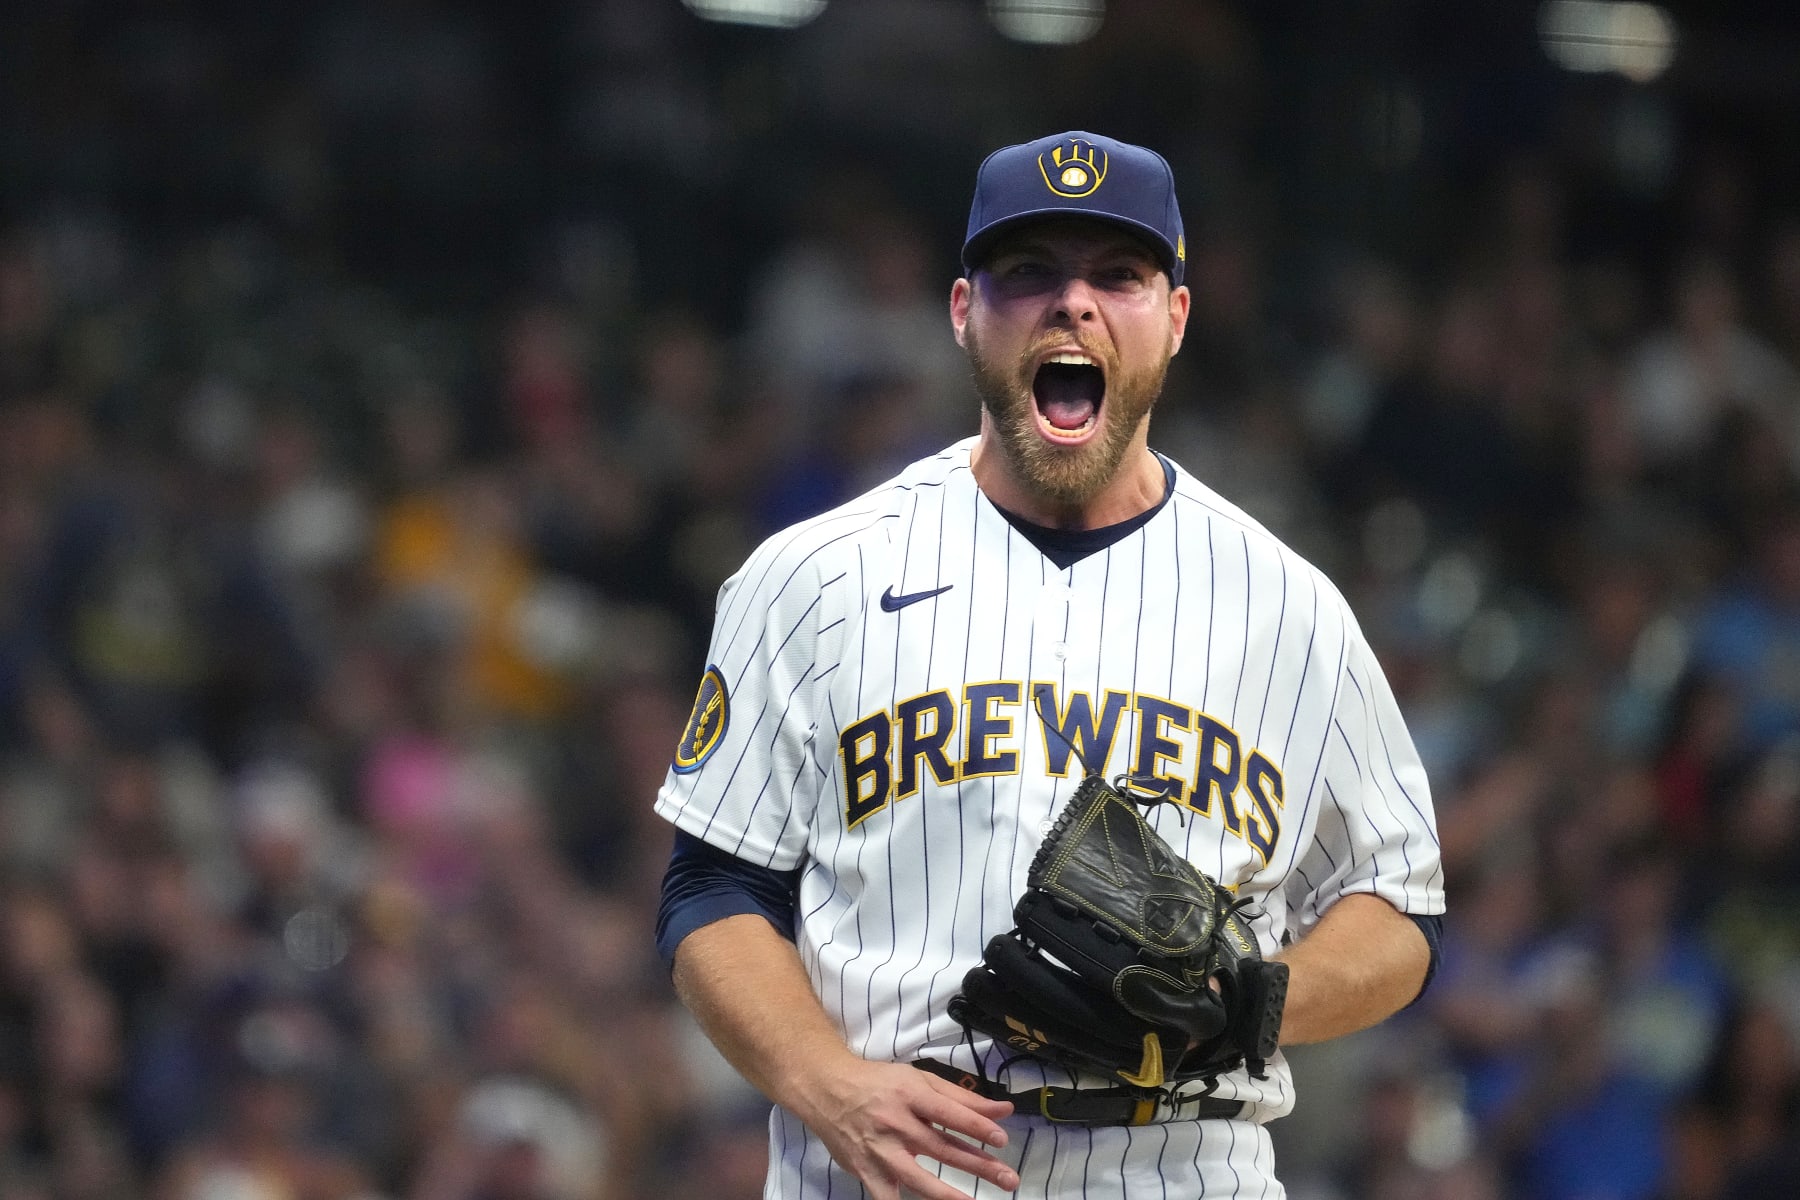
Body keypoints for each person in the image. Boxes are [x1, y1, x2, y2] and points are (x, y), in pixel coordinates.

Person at [653, 131, 1445, 1199]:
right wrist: (826, 1080)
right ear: (962, 313)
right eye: (1029, 274)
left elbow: (1398, 903)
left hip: (1182, 1168)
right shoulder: (814, 577)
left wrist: (1252, 1000)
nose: (1072, 305)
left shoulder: (1289, 606)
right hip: (893, 1172)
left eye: (1118, 275)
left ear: (1175, 318)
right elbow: (713, 887)